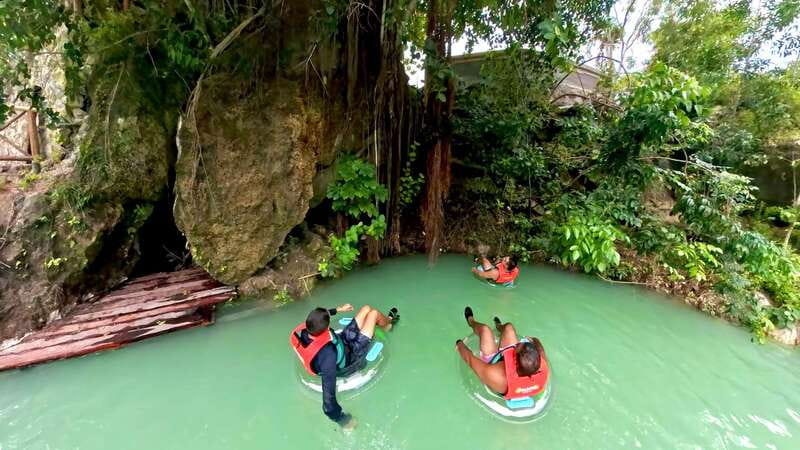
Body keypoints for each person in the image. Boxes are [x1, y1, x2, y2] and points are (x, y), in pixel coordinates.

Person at [290, 304, 399, 430]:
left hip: (343, 341)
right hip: (352, 356)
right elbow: (328, 404)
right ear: (326, 327)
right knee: (373, 314)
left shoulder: (306, 331)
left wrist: (338, 310)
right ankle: (388, 324)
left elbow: (320, 316)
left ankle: (385, 324)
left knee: (366, 309)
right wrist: (343, 420)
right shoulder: (327, 356)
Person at [455, 307, 549, 400]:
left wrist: (459, 344)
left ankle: (471, 321)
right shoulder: (542, 365)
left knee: (485, 330)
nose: (518, 343)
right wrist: (534, 340)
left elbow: (470, 360)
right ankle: (499, 326)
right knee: (509, 327)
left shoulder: (497, 376)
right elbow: (540, 348)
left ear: (514, 361)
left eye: (517, 346)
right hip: (518, 370)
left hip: (494, 363)